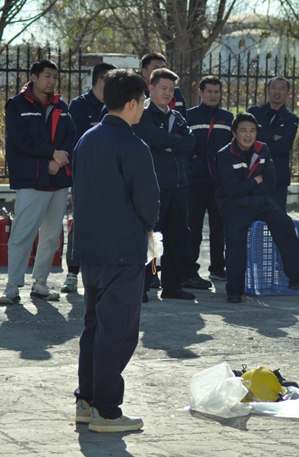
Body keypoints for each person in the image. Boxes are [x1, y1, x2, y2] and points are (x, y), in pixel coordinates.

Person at [72, 69, 159, 432]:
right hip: (122, 250)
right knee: (118, 332)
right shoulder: (134, 146)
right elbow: (148, 204)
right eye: (144, 101)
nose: (145, 107)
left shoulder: (86, 139)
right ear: (132, 104)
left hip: (89, 249)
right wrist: (150, 226)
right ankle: (106, 411)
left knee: (94, 326)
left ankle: (87, 400)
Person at [215, 113, 299, 303]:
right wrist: (256, 180)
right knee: (235, 239)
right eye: (243, 130)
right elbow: (232, 191)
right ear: (234, 133)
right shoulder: (224, 154)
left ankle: (298, 277)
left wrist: (249, 186)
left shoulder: (263, 149)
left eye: (252, 131)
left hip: (261, 201)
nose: (248, 135)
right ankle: (234, 289)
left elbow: (270, 183)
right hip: (235, 205)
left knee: (285, 223)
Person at [0, 60, 76, 305]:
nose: (52, 81)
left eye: (55, 76)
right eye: (47, 76)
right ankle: (12, 286)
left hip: (58, 179)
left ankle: (40, 284)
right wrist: (51, 156)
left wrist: (58, 160)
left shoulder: (61, 105)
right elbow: (21, 140)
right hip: (32, 179)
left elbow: (71, 136)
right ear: (33, 77)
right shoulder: (17, 105)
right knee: (22, 234)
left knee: (51, 236)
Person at [133, 68, 197, 301]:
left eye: (171, 89)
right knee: (150, 237)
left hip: (179, 186)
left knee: (176, 236)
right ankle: (142, 285)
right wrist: (170, 143)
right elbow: (154, 139)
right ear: (151, 88)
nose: (168, 93)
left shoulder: (176, 116)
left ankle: (172, 286)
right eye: (163, 88)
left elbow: (191, 142)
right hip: (155, 187)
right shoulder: (143, 115)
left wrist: (170, 145)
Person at [62, 62, 118, 294]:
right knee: (80, 223)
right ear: (101, 81)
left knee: (110, 224)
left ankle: (103, 275)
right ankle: (72, 273)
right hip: (85, 174)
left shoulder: (117, 103)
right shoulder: (78, 105)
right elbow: (80, 136)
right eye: (113, 81)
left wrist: (97, 127)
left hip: (113, 175)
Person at [184, 75, 233, 283]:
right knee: (193, 227)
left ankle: (218, 268)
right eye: (209, 91)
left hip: (218, 182)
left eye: (217, 92)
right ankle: (189, 269)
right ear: (200, 92)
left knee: (219, 227)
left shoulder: (228, 118)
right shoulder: (189, 116)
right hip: (194, 181)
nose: (213, 95)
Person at [248, 77, 299, 210]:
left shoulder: (291, 118)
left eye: (282, 89)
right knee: (250, 215)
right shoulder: (254, 113)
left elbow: (284, 146)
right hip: (253, 175)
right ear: (267, 90)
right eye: (274, 88)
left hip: (278, 177)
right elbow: (246, 139)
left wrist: (259, 137)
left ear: (288, 93)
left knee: (277, 216)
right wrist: (272, 137)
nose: (277, 92)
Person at [140, 52, 187, 117]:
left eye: (163, 68)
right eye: (156, 69)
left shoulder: (176, 93)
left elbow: (182, 118)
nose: (161, 72)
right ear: (144, 72)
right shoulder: (138, 94)